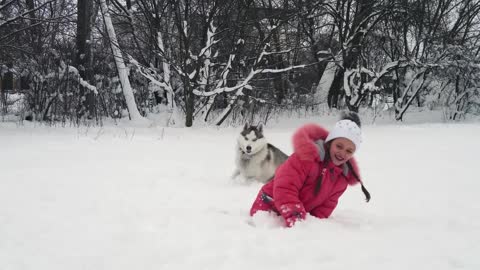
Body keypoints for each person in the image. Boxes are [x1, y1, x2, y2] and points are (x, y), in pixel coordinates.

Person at [249, 112, 370, 227]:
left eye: (349, 151)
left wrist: (312, 226)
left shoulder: (341, 179)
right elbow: (285, 187)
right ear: (330, 143)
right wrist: (297, 219)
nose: (342, 153)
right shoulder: (306, 158)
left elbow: (326, 207)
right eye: (339, 146)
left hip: (297, 217)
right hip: (268, 209)